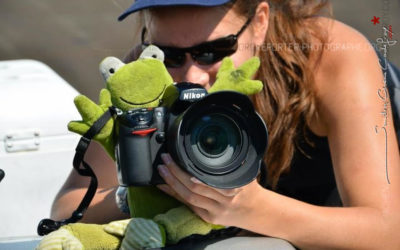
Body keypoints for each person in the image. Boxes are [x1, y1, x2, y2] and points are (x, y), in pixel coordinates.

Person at [51, 0, 400, 248]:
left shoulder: (330, 57)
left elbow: (387, 233)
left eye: (214, 50)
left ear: (260, 21)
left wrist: (251, 209)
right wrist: (141, 191)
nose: (191, 75)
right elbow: (68, 207)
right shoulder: (145, 75)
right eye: (168, 54)